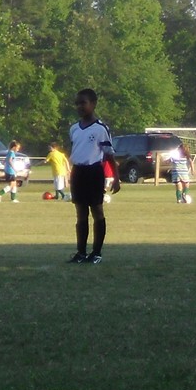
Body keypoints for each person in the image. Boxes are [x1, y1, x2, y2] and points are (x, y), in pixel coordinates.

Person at [68, 88, 120, 264]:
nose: (80, 106)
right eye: (77, 103)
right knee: (80, 212)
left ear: (93, 104)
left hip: (94, 172)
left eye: (83, 103)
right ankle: (81, 252)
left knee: (97, 211)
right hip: (78, 172)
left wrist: (116, 178)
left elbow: (109, 156)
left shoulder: (100, 129)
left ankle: (96, 253)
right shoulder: (74, 128)